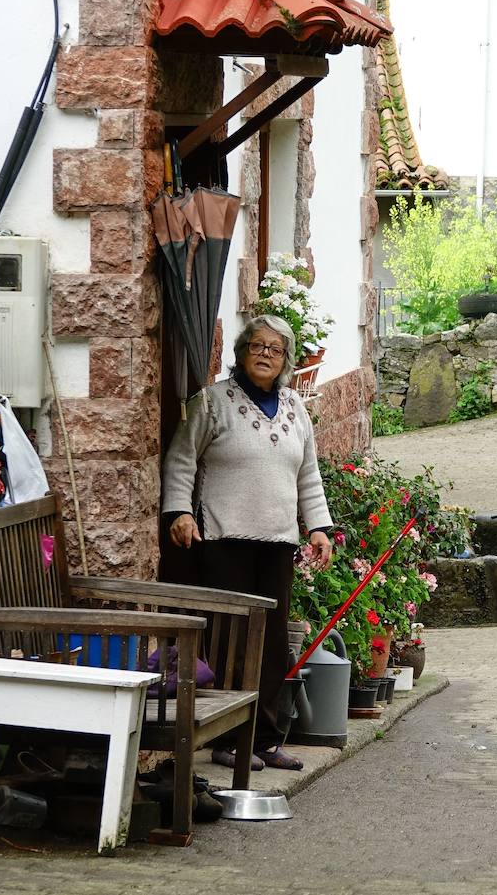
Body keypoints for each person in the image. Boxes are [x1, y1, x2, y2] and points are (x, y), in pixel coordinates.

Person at [161, 314, 334, 770]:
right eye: (257, 346)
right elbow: (180, 460)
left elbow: (308, 476)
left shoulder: (297, 409)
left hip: (277, 542)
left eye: (275, 350)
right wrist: (179, 512)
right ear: (240, 353)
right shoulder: (212, 402)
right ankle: (227, 740)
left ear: (286, 361)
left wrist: (318, 527)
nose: (265, 355)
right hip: (223, 538)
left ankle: (263, 739)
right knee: (230, 642)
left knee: (274, 645)